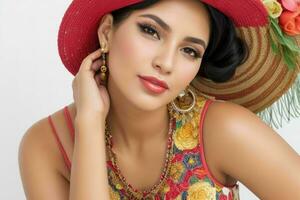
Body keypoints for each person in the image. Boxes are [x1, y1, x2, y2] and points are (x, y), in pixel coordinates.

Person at [18, 0, 300, 199]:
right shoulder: (47, 146)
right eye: (151, 31)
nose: (166, 63)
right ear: (106, 32)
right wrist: (89, 123)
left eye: (189, 50)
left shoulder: (222, 130)